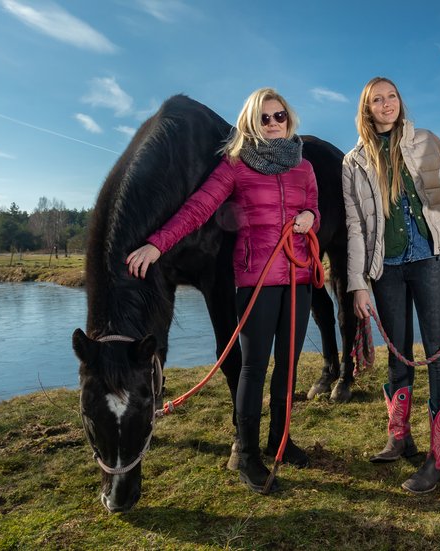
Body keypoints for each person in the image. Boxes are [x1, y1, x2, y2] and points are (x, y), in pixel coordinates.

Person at [126, 88, 319, 494]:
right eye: (263, 118)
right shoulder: (234, 166)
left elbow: (315, 210)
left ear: (289, 118)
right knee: (253, 367)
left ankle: (280, 440)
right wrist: (158, 243)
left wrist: (308, 217)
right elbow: (197, 209)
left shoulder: (304, 168)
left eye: (278, 116)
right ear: (251, 122)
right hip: (256, 281)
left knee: (287, 366)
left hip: (299, 280)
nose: (272, 124)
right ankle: (247, 454)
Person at [342, 77, 440, 494]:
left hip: (431, 259)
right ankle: (400, 437)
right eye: (378, 99)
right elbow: (355, 227)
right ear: (367, 108)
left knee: (438, 355)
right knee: (398, 357)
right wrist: (358, 284)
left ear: (399, 101)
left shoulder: (427, 141)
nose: (387, 104)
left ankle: (439, 459)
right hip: (386, 267)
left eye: (391, 96)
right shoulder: (353, 162)